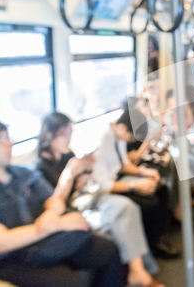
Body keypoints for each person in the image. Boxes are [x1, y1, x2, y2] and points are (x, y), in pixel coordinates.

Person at [35, 112, 163, 287]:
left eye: (70, 133)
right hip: (72, 210)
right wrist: (70, 175)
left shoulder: (67, 157)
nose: (69, 138)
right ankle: (138, 273)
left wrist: (84, 173)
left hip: (87, 199)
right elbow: (54, 203)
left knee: (127, 207)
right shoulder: (39, 168)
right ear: (51, 135)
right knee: (118, 219)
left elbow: (81, 186)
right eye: (65, 134)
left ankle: (137, 271)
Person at [0, 122, 125, 287]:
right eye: (2, 139)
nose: (10, 143)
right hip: (13, 257)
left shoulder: (23, 173)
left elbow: (53, 198)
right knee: (70, 282)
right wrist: (54, 225)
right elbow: (3, 242)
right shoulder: (40, 164)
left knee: (107, 249)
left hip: (44, 243)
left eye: (8, 137)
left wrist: (52, 213)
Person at [91, 110, 179, 260]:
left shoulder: (117, 135)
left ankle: (157, 239)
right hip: (104, 190)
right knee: (150, 202)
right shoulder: (101, 144)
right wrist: (136, 184)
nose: (130, 141)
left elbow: (124, 164)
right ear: (123, 128)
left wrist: (143, 172)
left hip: (117, 178)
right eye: (130, 137)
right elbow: (104, 185)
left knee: (161, 188)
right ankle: (150, 244)